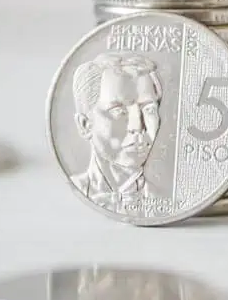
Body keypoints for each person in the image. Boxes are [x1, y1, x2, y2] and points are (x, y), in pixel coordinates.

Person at [68, 52, 164, 211]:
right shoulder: (73, 191)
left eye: (149, 110)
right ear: (85, 125)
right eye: (120, 111)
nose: (138, 126)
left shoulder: (167, 199)